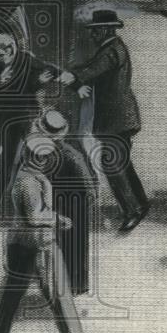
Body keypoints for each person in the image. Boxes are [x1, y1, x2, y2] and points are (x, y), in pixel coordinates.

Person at [0, 135, 103, 333]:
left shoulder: (25, 175)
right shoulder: (29, 181)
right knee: (60, 292)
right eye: (42, 157)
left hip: (19, 243)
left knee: (12, 294)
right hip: (39, 242)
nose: (44, 161)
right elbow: (34, 216)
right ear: (35, 157)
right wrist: (59, 219)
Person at [51, 9, 150, 233]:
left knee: (111, 163)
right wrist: (72, 73)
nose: (92, 35)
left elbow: (93, 70)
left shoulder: (112, 51)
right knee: (122, 162)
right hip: (119, 117)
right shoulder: (110, 48)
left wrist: (70, 77)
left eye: (95, 31)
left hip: (118, 118)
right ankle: (141, 203)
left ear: (105, 29)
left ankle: (132, 211)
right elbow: (89, 68)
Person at [0, 33, 55, 213]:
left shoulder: (28, 60)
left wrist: (39, 81)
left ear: (11, 49)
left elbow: (46, 74)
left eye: (2, 54)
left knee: (8, 159)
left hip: (19, 117)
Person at [31, 109, 98, 294]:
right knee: (69, 245)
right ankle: (71, 285)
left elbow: (86, 183)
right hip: (67, 202)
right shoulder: (55, 151)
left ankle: (75, 286)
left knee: (74, 245)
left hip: (75, 204)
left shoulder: (68, 153)